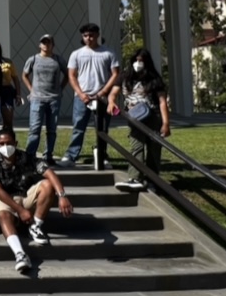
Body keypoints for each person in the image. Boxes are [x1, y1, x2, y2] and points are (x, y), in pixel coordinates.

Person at [0, 128, 74, 273]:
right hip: (4, 199)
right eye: (1, 144)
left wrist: (62, 195)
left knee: (47, 185)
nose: (5, 147)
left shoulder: (26, 157)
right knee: (3, 215)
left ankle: (36, 226)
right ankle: (20, 254)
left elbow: (49, 172)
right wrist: (20, 210)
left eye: (9, 143)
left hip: (24, 195)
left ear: (16, 143)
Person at [60, 23, 121, 169]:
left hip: (102, 98)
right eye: (86, 35)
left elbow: (116, 74)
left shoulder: (108, 53)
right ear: (82, 37)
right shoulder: (76, 54)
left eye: (92, 35)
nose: (89, 38)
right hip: (82, 97)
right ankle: (71, 156)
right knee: (78, 127)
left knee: (102, 128)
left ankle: (102, 156)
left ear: (97, 35)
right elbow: (72, 75)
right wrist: (81, 94)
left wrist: (103, 91)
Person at [109, 47, 171, 191]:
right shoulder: (124, 76)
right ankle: (135, 178)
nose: (138, 63)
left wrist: (166, 124)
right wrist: (111, 102)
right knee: (136, 146)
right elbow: (113, 93)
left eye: (141, 61)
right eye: (136, 60)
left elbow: (162, 102)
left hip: (153, 116)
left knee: (154, 148)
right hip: (135, 117)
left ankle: (152, 180)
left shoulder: (154, 79)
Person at [21, 34, 67, 165]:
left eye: (49, 42)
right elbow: (24, 75)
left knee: (51, 130)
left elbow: (68, 75)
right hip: (37, 99)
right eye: (43, 42)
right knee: (35, 129)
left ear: (53, 45)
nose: (46, 45)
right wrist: (31, 89)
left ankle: (48, 156)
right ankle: (30, 156)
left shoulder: (58, 60)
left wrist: (60, 89)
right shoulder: (33, 59)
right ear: (39, 45)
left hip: (54, 99)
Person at [0, 39, 19, 131]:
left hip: (6, 91)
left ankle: (9, 140)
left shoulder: (7, 62)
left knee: (8, 120)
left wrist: (18, 94)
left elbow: (16, 79)